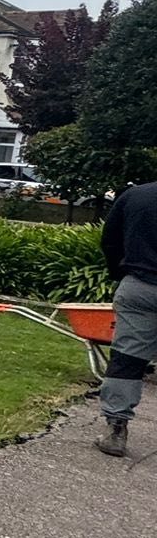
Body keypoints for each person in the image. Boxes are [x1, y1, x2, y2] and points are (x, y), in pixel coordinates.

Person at [98, 178, 157, 455]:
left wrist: (121, 274)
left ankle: (116, 428)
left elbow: (110, 240)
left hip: (140, 287)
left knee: (127, 359)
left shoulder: (137, 196)